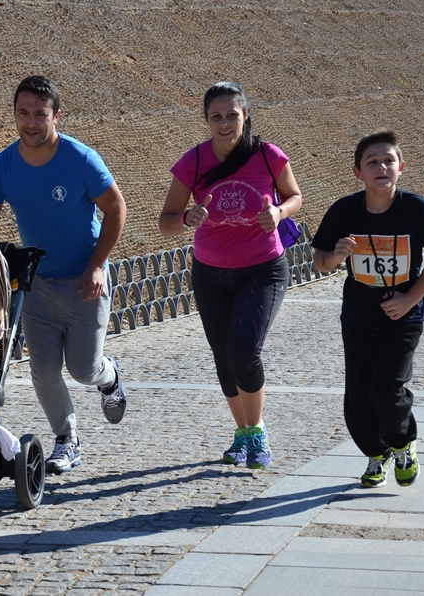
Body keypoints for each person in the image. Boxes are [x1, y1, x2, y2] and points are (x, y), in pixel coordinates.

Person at [0, 75, 128, 474]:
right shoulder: (3, 165)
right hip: (36, 285)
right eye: (23, 113)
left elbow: (116, 208)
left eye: (40, 114)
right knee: (43, 370)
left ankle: (109, 377)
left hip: (84, 282)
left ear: (56, 115)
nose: (31, 123)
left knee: (83, 369)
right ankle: (67, 440)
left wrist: (97, 266)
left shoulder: (80, 159)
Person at [158, 81, 303, 469]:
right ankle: (242, 433)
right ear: (206, 120)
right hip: (210, 273)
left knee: (243, 351)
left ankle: (256, 432)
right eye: (216, 117)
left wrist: (279, 213)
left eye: (232, 116)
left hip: (263, 269)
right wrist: (188, 218)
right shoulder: (194, 162)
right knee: (224, 359)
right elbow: (166, 222)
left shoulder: (268, 155)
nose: (225, 124)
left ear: (246, 116)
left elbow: (295, 196)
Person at [312, 130, 424, 488]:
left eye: (388, 160)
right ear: (358, 172)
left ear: (401, 167)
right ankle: (376, 455)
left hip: (403, 316)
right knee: (358, 397)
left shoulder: (415, 209)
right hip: (359, 315)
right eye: (372, 162)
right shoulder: (344, 211)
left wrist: (411, 298)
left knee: (387, 389)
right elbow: (319, 262)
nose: (381, 167)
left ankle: (403, 444)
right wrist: (335, 256)